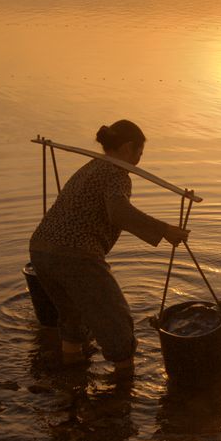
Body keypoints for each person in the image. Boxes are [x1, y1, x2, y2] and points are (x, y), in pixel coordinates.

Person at [29, 120, 189, 376]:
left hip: (40, 251)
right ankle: (123, 388)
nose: (139, 159)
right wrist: (165, 230)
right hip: (76, 255)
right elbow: (119, 212)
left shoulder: (91, 166)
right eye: (139, 153)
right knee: (117, 323)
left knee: (72, 318)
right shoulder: (116, 174)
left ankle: (70, 380)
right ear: (127, 148)